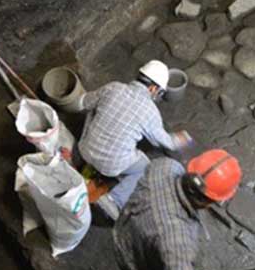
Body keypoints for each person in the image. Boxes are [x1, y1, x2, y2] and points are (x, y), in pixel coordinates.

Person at [112, 149, 255, 270]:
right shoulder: (179, 240)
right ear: (211, 202)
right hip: (140, 265)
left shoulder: (165, 166)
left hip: (123, 233)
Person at [77, 60, 191, 219]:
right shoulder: (150, 112)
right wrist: (183, 138)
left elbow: (83, 102)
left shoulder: (113, 87)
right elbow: (167, 142)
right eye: (159, 92)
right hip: (110, 166)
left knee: (93, 109)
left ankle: (92, 166)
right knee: (144, 166)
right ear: (152, 88)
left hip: (85, 148)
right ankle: (114, 200)